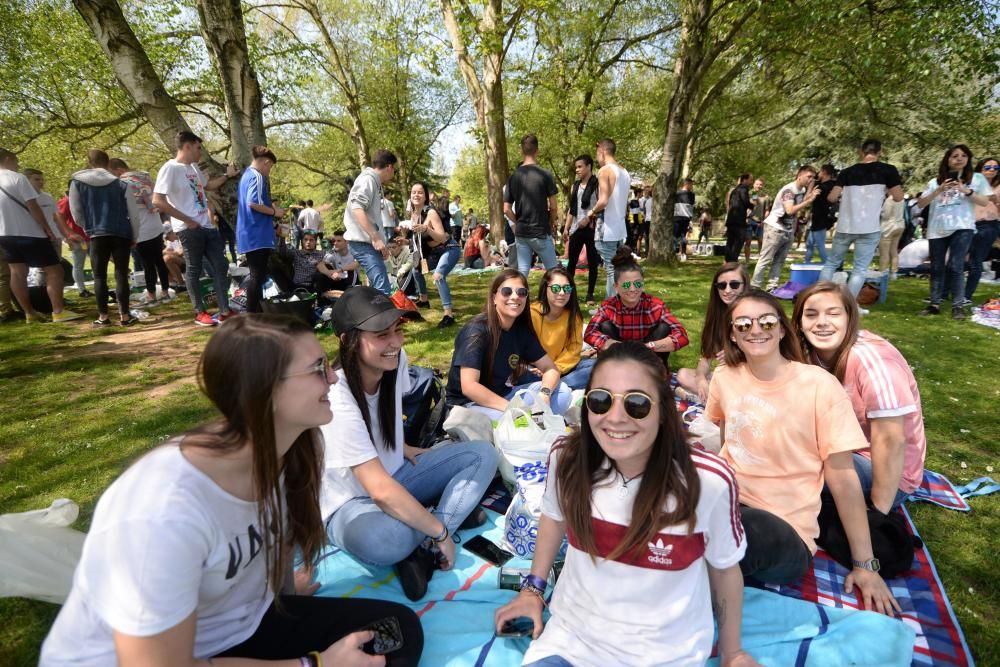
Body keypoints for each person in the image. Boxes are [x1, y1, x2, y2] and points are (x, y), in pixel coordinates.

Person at [40, 315, 424, 666]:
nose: (335, 379)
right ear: (264, 390)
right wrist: (314, 663)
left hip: (236, 632)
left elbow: (274, 543)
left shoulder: (290, 450)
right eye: (317, 369)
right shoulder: (161, 511)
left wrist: (285, 596)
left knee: (397, 632)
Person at [495, 342, 757, 667]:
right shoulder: (567, 458)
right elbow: (553, 516)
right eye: (600, 400)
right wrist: (532, 591)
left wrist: (733, 653)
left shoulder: (709, 481)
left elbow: (724, 569)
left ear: (664, 411)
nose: (615, 418)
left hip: (665, 655)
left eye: (636, 404)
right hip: (569, 643)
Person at [704, 289, 900, 615]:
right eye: (743, 324)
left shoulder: (819, 386)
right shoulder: (725, 378)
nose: (755, 329)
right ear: (732, 336)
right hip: (726, 501)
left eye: (766, 321)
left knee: (733, 532)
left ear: (782, 329)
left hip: (783, 532)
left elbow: (842, 477)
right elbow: (729, 443)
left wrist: (866, 564)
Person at [320, 287, 497, 601]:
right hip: (348, 504)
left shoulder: (394, 361)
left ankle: (425, 541)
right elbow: (378, 490)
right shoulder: (337, 395)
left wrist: (401, 447)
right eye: (381, 334)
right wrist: (441, 530)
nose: (395, 343)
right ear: (347, 340)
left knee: (482, 454)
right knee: (388, 538)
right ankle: (438, 521)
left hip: (395, 474)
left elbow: (380, 415)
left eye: (397, 331)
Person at [792, 281, 927, 513]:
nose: (822, 322)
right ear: (800, 323)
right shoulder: (808, 353)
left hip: (883, 470)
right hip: (837, 448)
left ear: (849, 317)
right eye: (811, 314)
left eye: (833, 313)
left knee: (785, 468)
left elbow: (891, 441)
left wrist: (879, 513)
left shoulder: (875, 361)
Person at [446, 269, 571, 419]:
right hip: (469, 404)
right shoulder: (476, 331)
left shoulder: (521, 330)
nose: (515, 297)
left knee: (563, 391)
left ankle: (535, 424)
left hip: (504, 394)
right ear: (494, 297)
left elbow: (550, 368)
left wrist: (544, 396)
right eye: (506, 291)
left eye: (521, 292)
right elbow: (469, 387)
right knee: (516, 420)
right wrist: (514, 408)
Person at [152, 130, 237, 327]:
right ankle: (200, 312)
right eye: (198, 148)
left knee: (221, 266)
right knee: (194, 269)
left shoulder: (194, 168)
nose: (200, 152)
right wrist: (186, 220)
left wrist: (227, 175)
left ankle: (225, 310)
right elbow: (158, 201)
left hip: (208, 226)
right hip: (188, 229)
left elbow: (208, 186)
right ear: (187, 146)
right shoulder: (170, 168)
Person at [0, 150, 83, 323]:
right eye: (16, 161)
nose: (17, 165)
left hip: (5, 235)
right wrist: (46, 228)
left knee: (17, 272)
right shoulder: (17, 178)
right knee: (55, 270)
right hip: (30, 232)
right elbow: (33, 206)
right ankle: (58, 311)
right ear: (8, 159)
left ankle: (29, 313)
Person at [916, 145, 994, 320]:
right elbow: (921, 204)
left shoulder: (977, 178)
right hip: (937, 228)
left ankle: (957, 305)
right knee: (936, 266)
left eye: (964, 155)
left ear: (968, 159)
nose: (959, 159)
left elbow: (983, 202)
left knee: (956, 265)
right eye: (955, 156)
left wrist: (966, 191)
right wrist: (938, 190)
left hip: (962, 226)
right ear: (947, 159)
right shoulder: (934, 181)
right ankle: (934, 304)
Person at [821, 139, 904, 297]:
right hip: (869, 227)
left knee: (831, 263)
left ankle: (820, 298)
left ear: (861, 151)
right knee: (859, 268)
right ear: (880, 152)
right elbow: (899, 197)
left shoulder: (846, 172)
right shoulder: (888, 170)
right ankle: (850, 306)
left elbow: (831, 198)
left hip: (845, 225)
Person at [584, 247, 689, 371]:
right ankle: (612, 370)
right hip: (619, 357)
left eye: (638, 284)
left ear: (643, 284)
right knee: (605, 326)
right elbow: (589, 333)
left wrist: (649, 347)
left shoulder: (656, 305)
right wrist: (618, 346)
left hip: (649, 357)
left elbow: (681, 335)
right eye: (627, 285)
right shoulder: (609, 306)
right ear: (616, 287)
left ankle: (657, 370)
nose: (633, 289)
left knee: (664, 328)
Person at [69, 149, 138, 327]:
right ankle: (124, 316)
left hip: (96, 233)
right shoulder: (122, 184)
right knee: (121, 274)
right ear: (108, 163)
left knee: (99, 276)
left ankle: (103, 317)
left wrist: (88, 227)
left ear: (89, 162)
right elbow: (134, 213)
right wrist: (134, 235)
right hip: (121, 233)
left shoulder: (77, 183)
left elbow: (76, 213)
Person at [677, 262, 749, 402]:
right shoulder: (717, 316)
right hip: (727, 377)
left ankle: (708, 400)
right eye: (722, 285)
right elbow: (706, 357)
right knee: (683, 375)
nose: (727, 290)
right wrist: (700, 378)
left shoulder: (753, 314)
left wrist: (737, 354)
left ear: (745, 285)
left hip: (750, 379)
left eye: (734, 284)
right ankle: (713, 399)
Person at [108, 159, 173, 307]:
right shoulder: (145, 177)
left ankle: (151, 295)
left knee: (147, 263)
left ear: (118, 170)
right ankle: (165, 292)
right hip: (156, 224)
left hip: (141, 227)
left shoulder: (122, 183)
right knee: (159, 260)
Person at [750, 166, 818, 291]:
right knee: (765, 259)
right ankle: (755, 287)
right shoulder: (788, 190)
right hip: (775, 228)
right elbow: (790, 210)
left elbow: (799, 204)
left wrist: (810, 193)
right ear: (799, 175)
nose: (811, 180)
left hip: (788, 230)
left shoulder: (801, 189)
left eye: (813, 177)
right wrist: (809, 201)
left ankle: (772, 287)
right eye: (809, 177)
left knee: (779, 261)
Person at [235, 145, 285, 313]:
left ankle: (257, 310)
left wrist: (272, 223)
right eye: (270, 166)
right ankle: (251, 313)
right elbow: (253, 202)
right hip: (255, 234)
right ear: (265, 162)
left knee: (259, 275)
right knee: (257, 276)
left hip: (252, 232)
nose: (269, 171)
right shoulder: (257, 176)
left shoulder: (246, 176)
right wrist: (274, 212)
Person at [528, 266, 595, 391]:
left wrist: (555, 369)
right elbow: (525, 348)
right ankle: (558, 387)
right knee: (523, 373)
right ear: (545, 289)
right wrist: (544, 369)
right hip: (534, 370)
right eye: (555, 288)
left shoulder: (573, 316)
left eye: (567, 288)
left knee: (597, 366)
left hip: (561, 368)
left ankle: (552, 386)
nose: (562, 293)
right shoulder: (531, 314)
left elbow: (573, 350)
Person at [406, 182, 461, 328]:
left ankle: (448, 315)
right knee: (415, 270)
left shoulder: (430, 213)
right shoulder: (413, 215)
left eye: (420, 192)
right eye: (413, 192)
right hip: (434, 253)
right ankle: (424, 299)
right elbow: (418, 239)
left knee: (438, 276)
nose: (416, 195)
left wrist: (427, 229)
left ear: (425, 197)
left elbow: (442, 238)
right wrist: (404, 241)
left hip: (449, 248)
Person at [343, 150, 397, 295]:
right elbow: (357, 208)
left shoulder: (373, 181)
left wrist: (381, 244)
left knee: (377, 288)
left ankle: (374, 316)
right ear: (390, 167)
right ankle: (385, 317)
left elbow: (371, 217)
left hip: (368, 244)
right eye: (395, 170)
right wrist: (375, 238)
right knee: (383, 289)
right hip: (362, 243)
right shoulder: (367, 180)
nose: (394, 174)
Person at [505, 134, 560, 276]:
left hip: (522, 232)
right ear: (537, 150)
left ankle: (520, 297)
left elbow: (506, 209)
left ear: (521, 151)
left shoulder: (513, 176)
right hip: (540, 230)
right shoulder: (545, 174)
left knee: (523, 271)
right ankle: (557, 297)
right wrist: (551, 222)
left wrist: (518, 221)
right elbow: (553, 206)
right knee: (553, 272)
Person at [587, 139, 630, 296]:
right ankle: (615, 305)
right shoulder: (624, 172)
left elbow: (603, 201)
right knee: (617, 270)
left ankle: (611, 309)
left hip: (607, 229)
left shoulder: (605, 171)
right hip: (619, 228)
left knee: (612, 271)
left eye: (597, 154)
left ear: (602, 151)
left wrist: (590, 213)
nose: (597, 158)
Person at [563, 154, 600, 303]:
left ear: (589, 166)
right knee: (572, 262)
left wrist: (590, 218)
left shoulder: (597, 184)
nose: (577, 170)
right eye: (576, 167)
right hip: (576, 229)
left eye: (580, 166)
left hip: (592, 229)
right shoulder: (575, 185)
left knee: (592, 262)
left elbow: (601, 206)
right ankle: (569, 293)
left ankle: (590, 294)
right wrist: (566, 228)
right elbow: (572, 209)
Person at [965, 157, 999, 304]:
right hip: (966, 225)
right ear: (980, 168)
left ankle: (966, 295)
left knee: (976, 261)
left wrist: (996, 201)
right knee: (955, 258)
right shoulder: (971, 184)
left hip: (988, 226)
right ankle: (944, 292)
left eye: (995, 168)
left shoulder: (998, 188)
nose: (991, 170)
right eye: (987, 167)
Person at [805, 165, 837, 264]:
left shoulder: (824, 187)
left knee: (819, 244)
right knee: (810, 243)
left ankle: (827, 265)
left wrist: (810, 187)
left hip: (821, 219)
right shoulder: (832, 185)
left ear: (823, 172)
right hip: (818, 219)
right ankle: (806, 263)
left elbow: (806, 199)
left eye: (819, 172)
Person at [724, 174, 753, 263]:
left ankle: (728, 261)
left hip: (731, 219)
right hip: (738, 220)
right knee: (739, 240)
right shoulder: (744, 188)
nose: (751, 182)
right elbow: (745, 201)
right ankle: (733, 261)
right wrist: (752, 205)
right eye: (750, 180)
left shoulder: (735, 190)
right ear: (744, 180)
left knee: (730, 241)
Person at [879, 191, 906, 279]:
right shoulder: (902, 199)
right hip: (900, 225)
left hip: (888, 227)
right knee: (894, 250)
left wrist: (880, 212)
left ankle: (882, 272)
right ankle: (894, 272)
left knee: (884, 252)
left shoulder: (889, 200)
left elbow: (886, 215)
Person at [745, 179, 769, 263]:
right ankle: (747, 262)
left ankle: (760, 262)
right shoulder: (749, 194)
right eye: (757, 184)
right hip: (749, 220)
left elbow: (767, 210)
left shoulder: (765, 197)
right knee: (748, 241)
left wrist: (764, 221)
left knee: (761, 241)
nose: (759, 186)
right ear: (753, 185)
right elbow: (753, 202)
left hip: (760, 222)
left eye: (761, 184)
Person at [673, 178, 696, 260]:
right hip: (678, 217)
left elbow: (691, 207)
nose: (692, 186)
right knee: (675, 236)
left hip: (685, 218)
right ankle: (674, 253)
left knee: (683, 236)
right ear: (686, 184)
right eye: (691, 184)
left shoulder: (692, 195)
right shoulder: (677, 194)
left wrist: (691, 219)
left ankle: (683, 254)